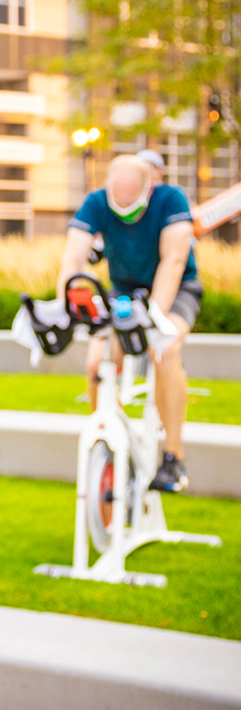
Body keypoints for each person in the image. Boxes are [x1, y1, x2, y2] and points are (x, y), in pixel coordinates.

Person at [58, 154, 200, 492]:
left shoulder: (171, 200)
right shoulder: (96, 202)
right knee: (97, 363)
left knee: (165, 350)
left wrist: (155, 316)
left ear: (147, 187)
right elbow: (74, 255)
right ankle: (114, 448)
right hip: (122, 292)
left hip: (177, 289)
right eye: (115, 197)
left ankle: (173, 456)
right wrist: (67, 300)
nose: (121, 205)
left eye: (130, 199)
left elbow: (175, 259)